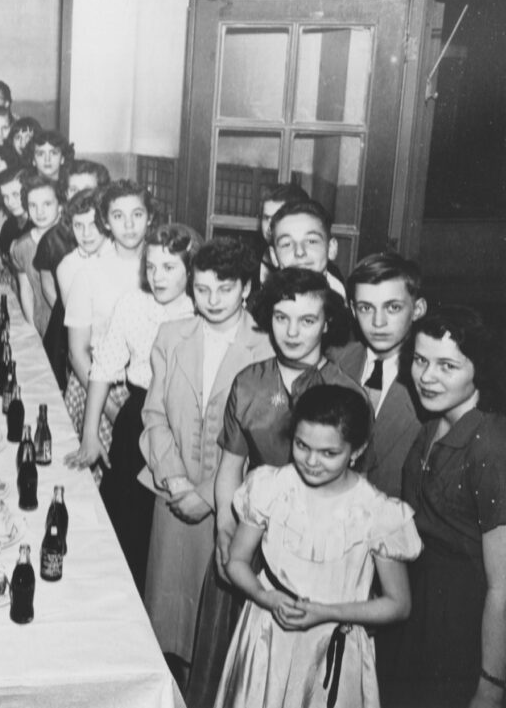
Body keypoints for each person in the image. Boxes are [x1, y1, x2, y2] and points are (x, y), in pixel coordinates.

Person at [192, 267, 363, 707]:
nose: (292, 331)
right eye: (282, 317)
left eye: (307, 320)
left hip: (312, 553)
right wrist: (225, 532)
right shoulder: (249, 381)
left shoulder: (346, 391)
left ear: (327, 323)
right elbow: (229, 467)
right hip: (247, 535)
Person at [215, 384, 420, 708]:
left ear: (357, 449)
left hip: (332, 645)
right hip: (269, 637)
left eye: (329, 453)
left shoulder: (378, 513)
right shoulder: (271, 487)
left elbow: (398, 604)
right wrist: (264, 596)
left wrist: (326, 613)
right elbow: (237, 561)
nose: (311, 461)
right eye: (301, 445)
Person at [137, 238, 273, 682]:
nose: (212, 301)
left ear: (247, 288)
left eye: (225, 289)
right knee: (167, 624)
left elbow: (262, 446)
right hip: (172, 500)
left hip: (230, 509)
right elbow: (154, 415)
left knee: (213, 640)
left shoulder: (268, 347)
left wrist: (208, 496)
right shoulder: (172, 335)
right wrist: (174, 479)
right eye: (202, 289)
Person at [70, 223, 201, 597]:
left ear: (190, 269)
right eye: (151, 267)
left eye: (170, 267)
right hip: (136, 417)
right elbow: (103, 368)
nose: (157, 277)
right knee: (123, 527)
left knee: (161, 537)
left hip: (182, 423)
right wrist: (90, 434)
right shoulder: (132, 304)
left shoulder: (198, 310)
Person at [395, 306, 506, 708]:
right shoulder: (429, 426)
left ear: (479, 369)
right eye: (421, 361)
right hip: (419, 612)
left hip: (465, 623)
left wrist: (492, 685)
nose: (427, 377)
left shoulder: (490, 445)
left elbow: (503, 586)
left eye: (447, 366)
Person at [62, 180, 152, 447]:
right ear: (106, 222)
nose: (128, 225)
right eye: (118, 216)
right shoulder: (90, 274)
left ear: (150, 218)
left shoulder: (164, 270)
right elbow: (76, 352)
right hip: (97, 390)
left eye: (137, 215)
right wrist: (110, 409)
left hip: (152, 393)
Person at [334, 253, 427, 498]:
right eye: (366, 308)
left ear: (417, 309)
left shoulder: (429, 383)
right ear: (353, 310)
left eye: (393, 307)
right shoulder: (335, 364)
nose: (378, 322)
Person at [35, 160, 111, 389]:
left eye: (89, 189)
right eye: (74, 190)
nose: (86, 233)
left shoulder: (114, 245)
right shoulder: (64, 253)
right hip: (78, 342)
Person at [10, 170, 63, 336]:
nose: (40, 212)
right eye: (33, 205)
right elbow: (25, 289)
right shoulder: (22, 246)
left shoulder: (71, 242)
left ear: (60, 206)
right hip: (42, 324)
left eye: (47, 204)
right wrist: (32, 327)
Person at [269, 198, 346, 298]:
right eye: (287, 244)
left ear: (331, 248)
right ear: (274, 256)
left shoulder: (345, 302)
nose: (300, 252)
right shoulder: (261, 306)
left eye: (311, 241)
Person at [255, 183, 309, 290]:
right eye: (266, 218)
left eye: (277, 218)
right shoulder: (252, 262)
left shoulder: (312, 265)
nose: (270, 227)